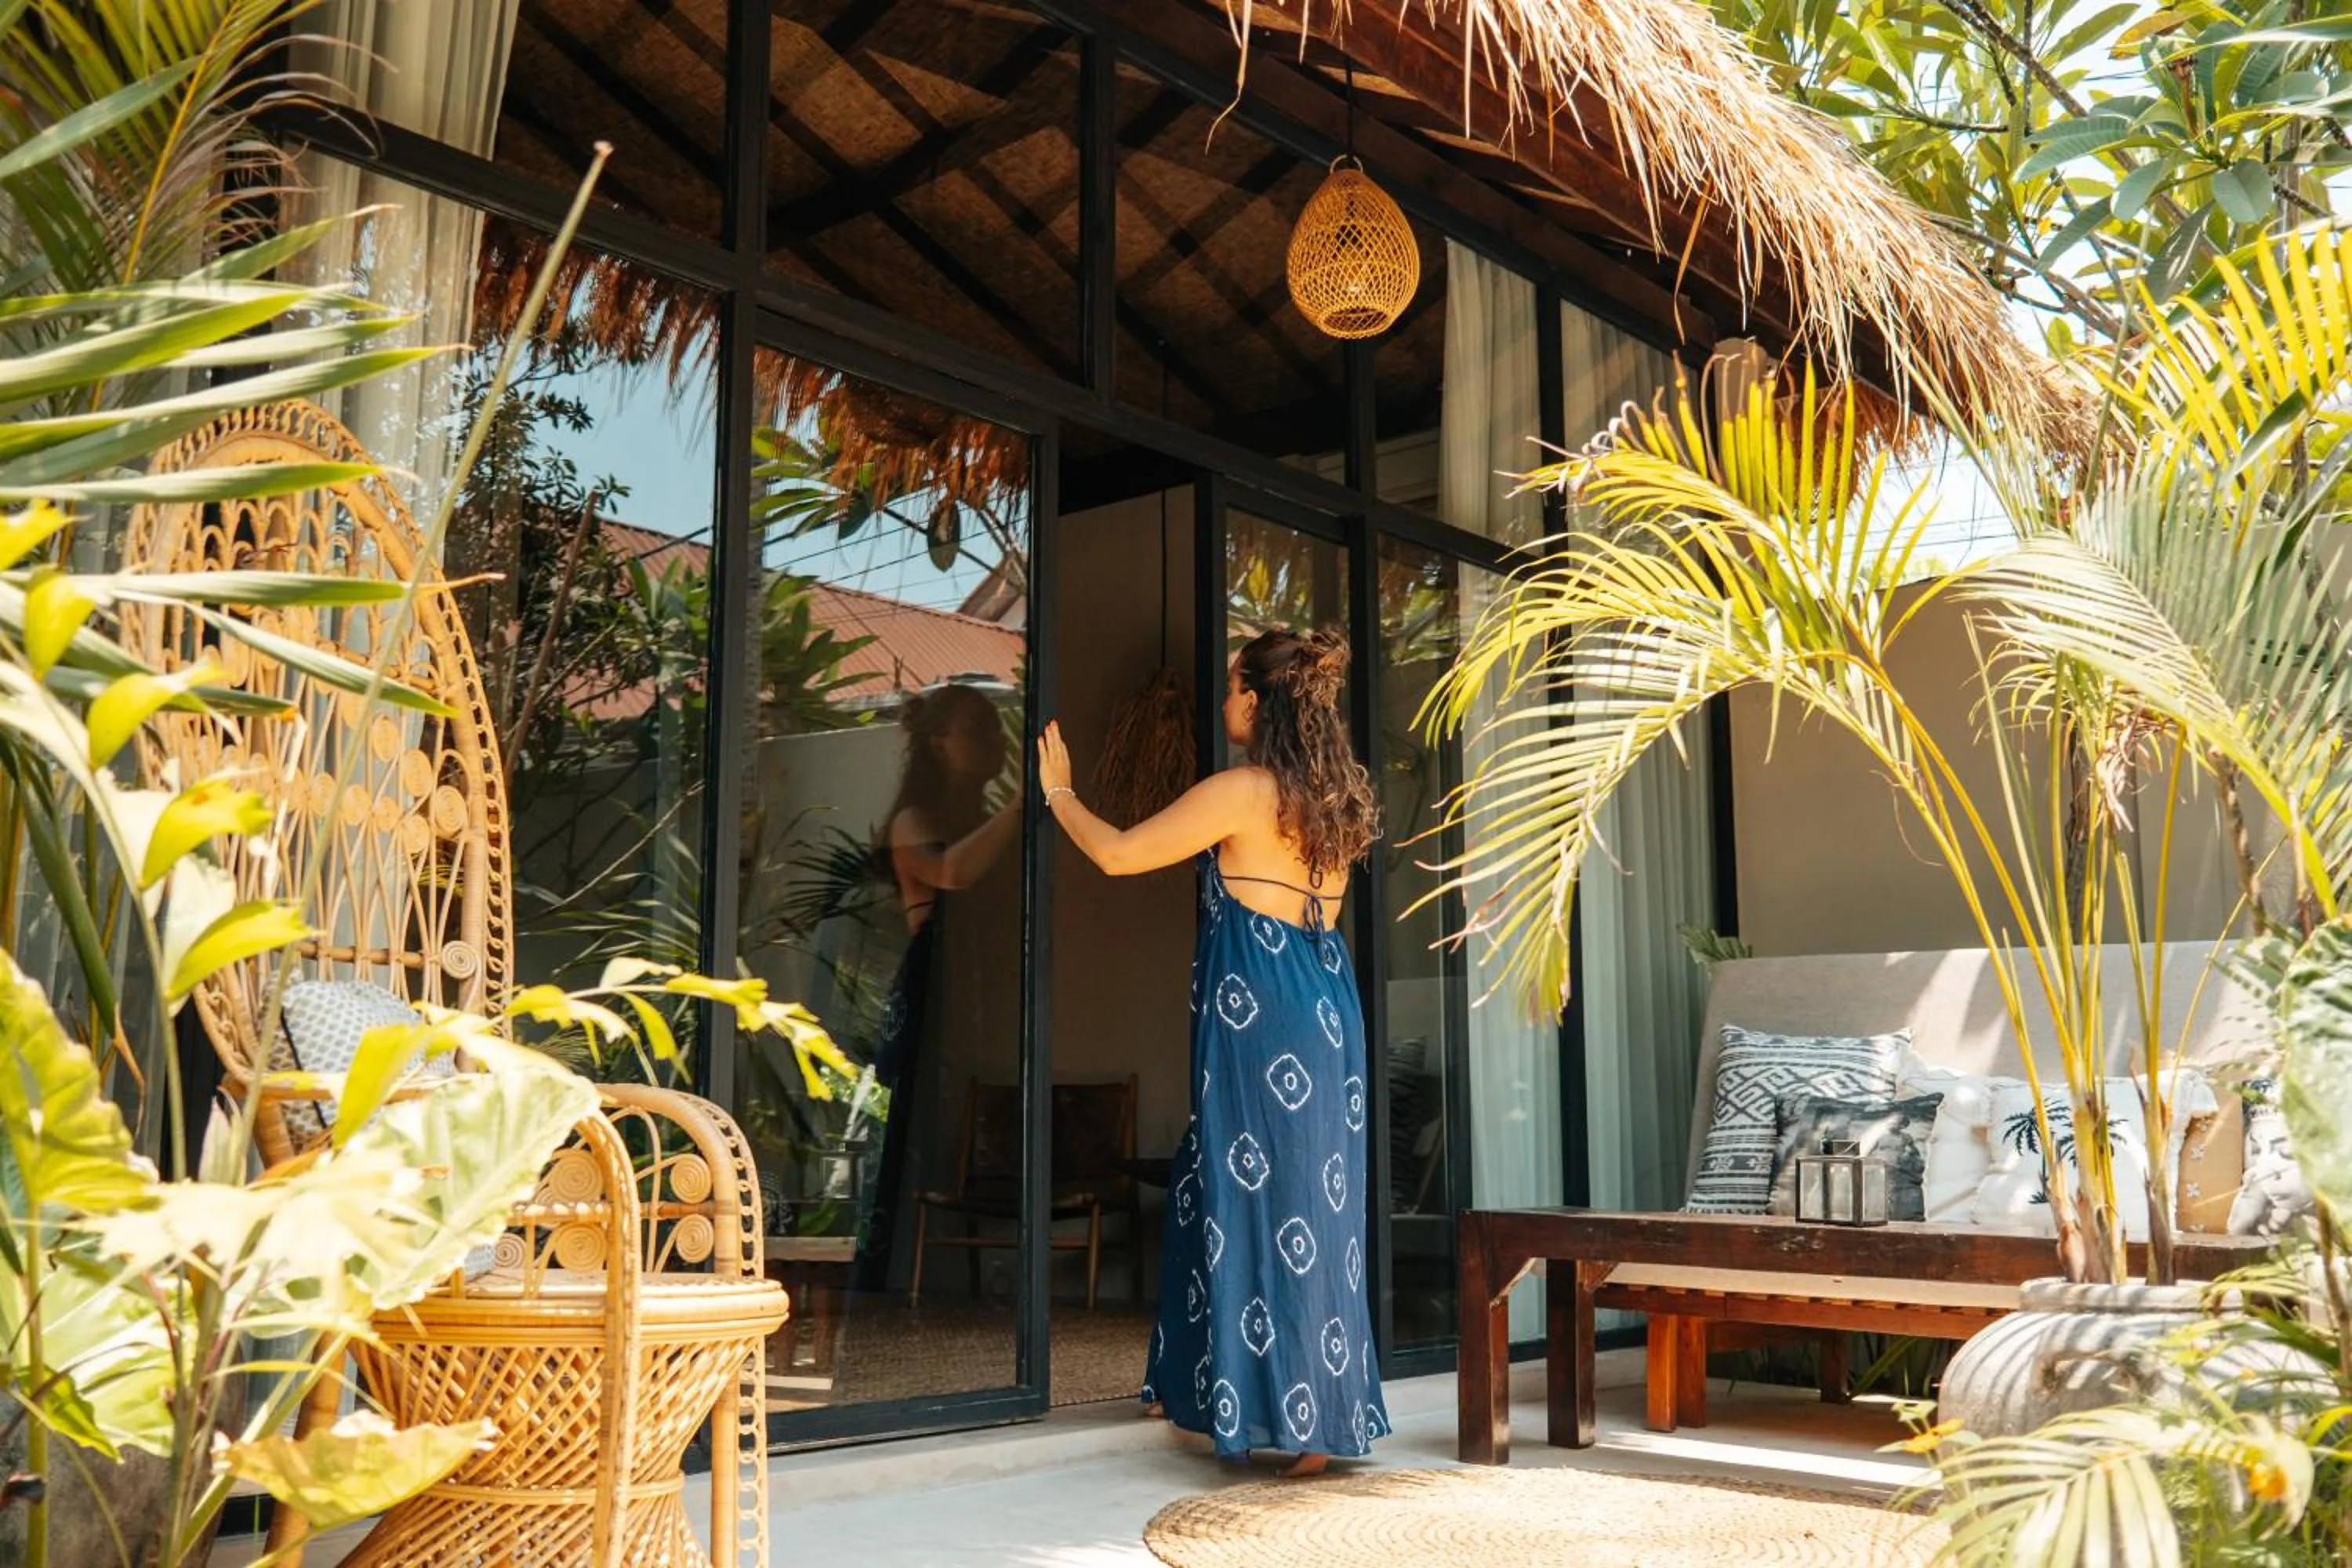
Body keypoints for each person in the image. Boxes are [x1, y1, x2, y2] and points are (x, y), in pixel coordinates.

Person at [1036, 627, 1386, 1478]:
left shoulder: (1243, 791)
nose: (1224, 699)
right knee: (1262, 1192)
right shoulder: (1332, 803)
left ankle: (1304, 1423)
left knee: (1265, 1201)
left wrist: (1059, 793)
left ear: (1257, 703)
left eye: (1233, 687)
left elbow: (1120, 854)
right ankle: (1193, 1382)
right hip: (1327, 1011)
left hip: (1263, 1017)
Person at [854, 681, 1021, 1293]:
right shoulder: (913, 821)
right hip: (940, 989)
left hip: (991, 984)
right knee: (933, 1127)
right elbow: (952, 872)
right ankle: (911, 1281)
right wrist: (1023, 804)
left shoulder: (982, 820)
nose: (993, 740)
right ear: (937, 743)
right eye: (976, 728)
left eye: (995, 727)